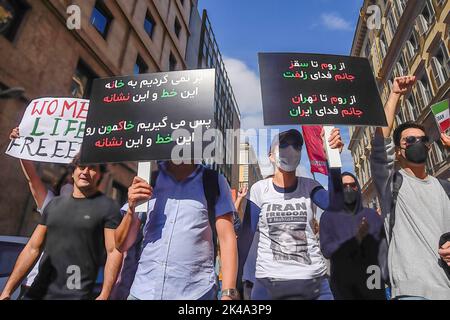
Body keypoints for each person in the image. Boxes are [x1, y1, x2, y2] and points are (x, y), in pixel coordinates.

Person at [238, 128, 344, 300]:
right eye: (284, 145)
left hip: (313, 282)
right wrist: (235, 285)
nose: (290, 149)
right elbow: (245, 238)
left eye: (296, 145)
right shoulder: (260, 189)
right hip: (269, 284)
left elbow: (336, 205)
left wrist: (332, 158)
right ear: (271, 156)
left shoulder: (309, 187)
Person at [0, 154, 123, 300]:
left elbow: (113, 251)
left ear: (100, 175)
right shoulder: (54, 205)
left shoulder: (107, 208)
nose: (85, 172)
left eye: (92, 168)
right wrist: (7, 290)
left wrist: (104, 294)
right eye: (81, 167)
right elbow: (33, 248)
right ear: (73, 172)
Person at [370, 75, 450, 300]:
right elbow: (379, 145)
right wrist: (395, 94)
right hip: (411, 292)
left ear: (429, 147)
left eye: (421, 140)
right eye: (408, 141)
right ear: (397, 151)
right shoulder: (391, 184)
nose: (417, 144)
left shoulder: (444, 188)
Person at [114, 161, 239, 300]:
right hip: (143, 292)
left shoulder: (213, 181)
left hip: (196, 294)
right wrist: (131, 208)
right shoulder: (148, 180)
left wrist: (228, 293)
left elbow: (227, 239)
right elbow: (121, 244)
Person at [8, 127, 74, 298]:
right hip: (34, 284)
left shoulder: (95, 209)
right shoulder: (50, 203)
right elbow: (32, 178)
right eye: (69, 178)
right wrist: (20, 146)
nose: (72, 182)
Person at [320, 169, 385, 300]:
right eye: (344, 186)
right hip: (344, 284)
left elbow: (384, 249)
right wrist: (356, 238)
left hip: (373, 279)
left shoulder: (371, 215)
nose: (348, 189)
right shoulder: (328, 217)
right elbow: (327, 250)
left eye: (352, 185)